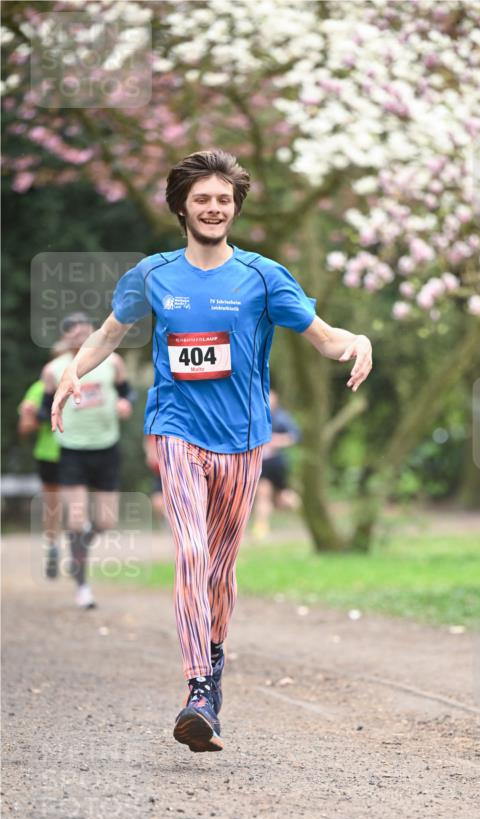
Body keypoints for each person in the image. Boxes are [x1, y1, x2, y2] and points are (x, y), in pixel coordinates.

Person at [51, 148, 372, 754]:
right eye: (202, 198)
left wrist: (357, 340)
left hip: (243, 443)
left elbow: (325, 339)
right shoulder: (153, 274)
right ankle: (198, 689)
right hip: (176, 431)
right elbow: (110, 332)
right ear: (182, 207)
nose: (214, 207)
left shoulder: (263, 276)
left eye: (224, 199)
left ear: (235, 207)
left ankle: (213, 656)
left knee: (219, 570)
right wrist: (75, 369)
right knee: (192, 552)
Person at [43, 312, 134, 609]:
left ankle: (78, 550)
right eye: (75, 335)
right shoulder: (53, 370)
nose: (81, 339)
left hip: (106, 447)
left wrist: (126, 403)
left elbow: (127, 393)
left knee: (106, 521)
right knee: (76, 520)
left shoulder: (113, 362)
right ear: (65, 338)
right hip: (72, 450)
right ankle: (82, 586)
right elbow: (46, 407)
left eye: (86, 333)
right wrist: (37, 414)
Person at [17, 376, 63, 579]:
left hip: (80, 454)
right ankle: (52, 547)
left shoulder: (87, 382)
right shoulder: (38, 388)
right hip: (49, 455)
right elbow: (24, 428)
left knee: (75, 504)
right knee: (52, 507)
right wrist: (34, 415)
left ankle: (78, 553)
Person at [252, 389, 301, 539]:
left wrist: (276, 441)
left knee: (283, 496)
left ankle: (304, 514)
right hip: (263, 463)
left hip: (277, 463)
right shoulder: (256, 417)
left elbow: (295, 436)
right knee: (263, 493)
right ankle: (261, 527)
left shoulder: (282, 418)